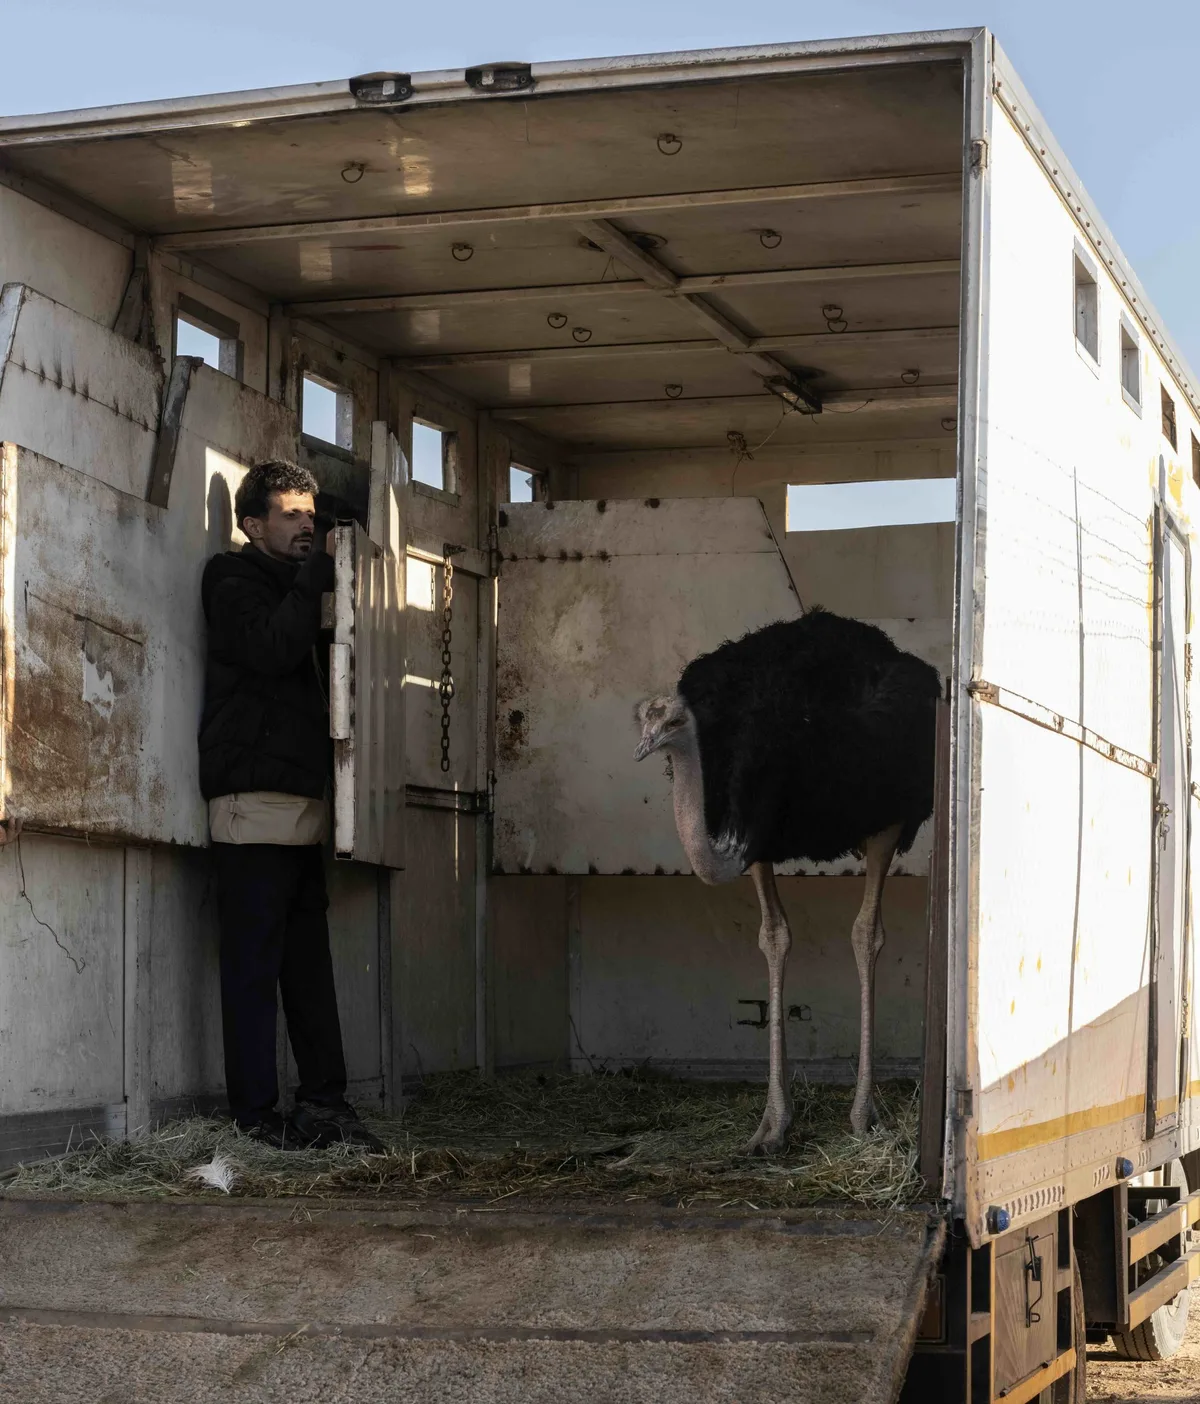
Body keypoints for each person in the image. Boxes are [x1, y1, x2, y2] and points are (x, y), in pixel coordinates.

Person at [199, 459, 381, 1151]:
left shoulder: (297, 583)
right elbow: (272, 649)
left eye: (312, 514)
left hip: (300, 805)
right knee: (253, 969)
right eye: (292, 514)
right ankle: (255, 1117)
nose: (308, 525)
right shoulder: (231, 578)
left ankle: (325, 1101)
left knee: (307, 966)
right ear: (253, 525)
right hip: (250, 802)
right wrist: (317, 574)